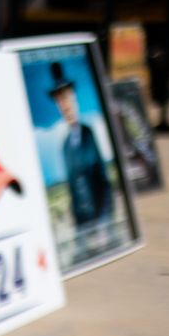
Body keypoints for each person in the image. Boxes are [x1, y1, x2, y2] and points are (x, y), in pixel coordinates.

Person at [49, 62, 114, 231]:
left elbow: (104, 181)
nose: (65, 106)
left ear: (74, 99)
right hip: (82, 225)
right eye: (60, 101)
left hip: (100, 220)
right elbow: (72, 189)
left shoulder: (89, 133)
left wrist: (104, 222)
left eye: (67, 98)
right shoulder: (65, 146)